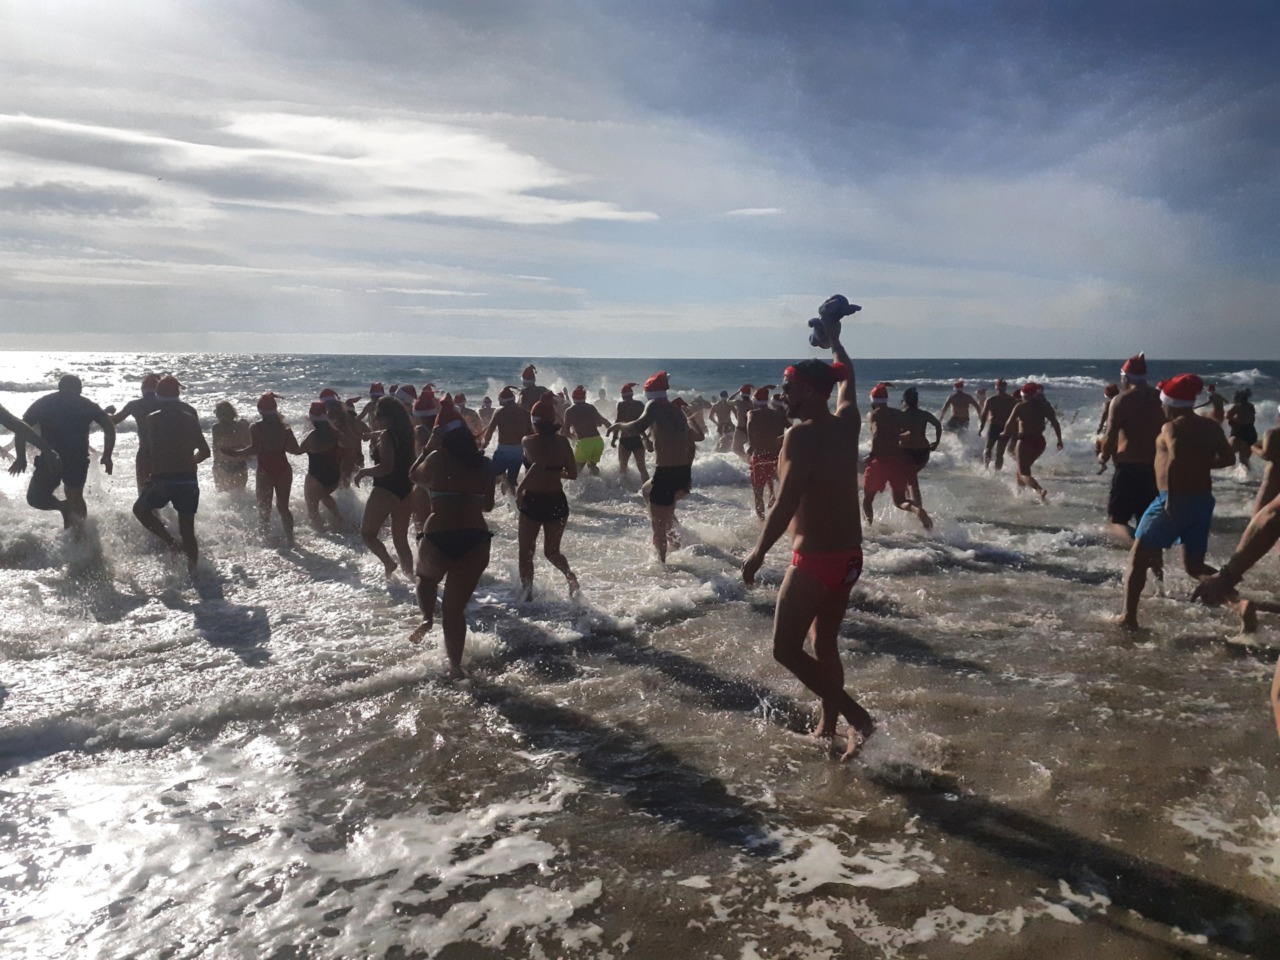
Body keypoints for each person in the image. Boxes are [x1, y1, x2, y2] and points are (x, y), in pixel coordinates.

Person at [741, 316, 876, 762]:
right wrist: (836, 342)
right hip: (850, 559)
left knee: (785, 649)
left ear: (811, 391)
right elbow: (848, 380)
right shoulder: (848, 422)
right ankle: (828, 727)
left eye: (789, 386)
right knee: (824, 644)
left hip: (815, 561)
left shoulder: (799, 435)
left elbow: (784, 503)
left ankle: (858, 719)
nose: (783, 394)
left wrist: (758, 552)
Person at [1119, 374, 1238, 630]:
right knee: (1194, 566)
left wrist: (1170, 499)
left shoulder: (1171, 427)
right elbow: (1229, 459)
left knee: (1137, 560)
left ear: (1170, 404)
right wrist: (1201, 464)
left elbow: (1173, 458)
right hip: (1202, 501)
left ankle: (1128, 618)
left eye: (1163, 404)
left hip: (1171, 501)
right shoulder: (1211, 427)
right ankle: (1239, 603)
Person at [407, 396, 495, 675]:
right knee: (455, 613)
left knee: (424, 577)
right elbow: (489, 505)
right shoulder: (485, 464)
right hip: (475, 539)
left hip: (440, 535)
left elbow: (414, 476)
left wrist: (427, 449)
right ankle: (456, 669)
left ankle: (426, 618)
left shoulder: (436, 458)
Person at [610, 372, 694, 563]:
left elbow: (638, 427)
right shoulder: (676, 410)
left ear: (649, 393)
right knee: (646, 490)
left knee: (657, 526)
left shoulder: (654, 405)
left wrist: (619, 427)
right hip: (682, 471)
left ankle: (661, 568)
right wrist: (687, 474)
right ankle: (678, 541)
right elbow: (690, 445)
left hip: (665, 473)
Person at [13, 375, 115, 528]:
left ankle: (78, 533)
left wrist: (21, 457)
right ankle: (69, 518)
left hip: (66, 459)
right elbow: (109, 427)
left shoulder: (47, 402)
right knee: (42, 498)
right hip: (54, 459)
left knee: (67, 497)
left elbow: (21, 428)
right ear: (79, 389)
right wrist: (107, 455)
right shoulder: (82, 404)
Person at [132, 377, 210, 572]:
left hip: (164, 480)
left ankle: (171, 543)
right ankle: (194, 573)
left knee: (140, 510)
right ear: (178, 396)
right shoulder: (189, 418)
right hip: (187, 479)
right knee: (188, 530)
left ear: (157, 396)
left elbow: (152, 450)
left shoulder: (152, 419)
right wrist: (192, 461)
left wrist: (150, 472)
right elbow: (205, 451)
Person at [516, 394, 580, 600]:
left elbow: (536, 466)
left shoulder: (527, 441)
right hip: (556, 501)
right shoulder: (562, 442)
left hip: (532, 501)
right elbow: (573, 474)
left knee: (526, 552)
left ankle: (527, 595)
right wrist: (554, 472)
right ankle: (570, 576)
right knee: (552, 552)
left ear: (533, 422)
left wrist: (519, 491)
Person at [1098, 354, 1164, 544]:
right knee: (1146, 520)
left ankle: (1137, 549)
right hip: (1154, 467)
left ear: (1125, 377)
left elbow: (1110, 436)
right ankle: (1152, 560)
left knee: (1116, 522)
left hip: (1128, 466)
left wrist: (1103, 456)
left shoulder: (1121, 400)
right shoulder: (1159, 397)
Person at [221, 392, 300, 541]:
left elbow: (254, 449)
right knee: (283, 508)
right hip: (283, 468)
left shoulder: (256, 427)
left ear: (260, 410)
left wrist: (236, 453)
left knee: (265, 509)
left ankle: (265, 539)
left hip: (265, 469)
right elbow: (295, 450)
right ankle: (290, 539)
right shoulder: (285, 428)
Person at [355, 395, 416, 576]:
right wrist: (372, 435)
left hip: (386, 488)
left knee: (367, 534)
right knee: (401, 541)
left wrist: (363, 472)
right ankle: (411, 578)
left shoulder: (388, 435)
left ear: (388, 417)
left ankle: (389, 564)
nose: (375, 419)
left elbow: (386, 467)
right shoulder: (407, 432)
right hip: (406, 489)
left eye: (378, 416)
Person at [109, 374, 197, 491]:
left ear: (143, 389)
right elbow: (195, 438)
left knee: (146, 495)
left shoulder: (135, 405)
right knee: (177, 496)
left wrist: (104, 413)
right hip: (177, 455)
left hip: (147, 454)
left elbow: (113, 422)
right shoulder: (186, 408)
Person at [862, 383, 932, 529]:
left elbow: (876, 435)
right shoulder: (898, 414)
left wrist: (871, 454)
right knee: (900, 501)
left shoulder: (873, 414)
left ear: (872, 400)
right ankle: (917, 510)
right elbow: (909, 434)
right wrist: (897, 437)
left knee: (868, 499)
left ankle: (868, 528)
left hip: (880, 462)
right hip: (897, 461)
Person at [1000, 382, 1062, 501]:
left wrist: (1004, 433)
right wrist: (1059, 440)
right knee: (1022, 469)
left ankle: (1039, 490)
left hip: (1025, 441)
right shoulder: (1045, 405)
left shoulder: (1021, 406)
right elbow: (1055, 423)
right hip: (1039, 442)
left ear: (1025, 395)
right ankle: (1021, 495)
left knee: (1023, 472)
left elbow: (1009, 423)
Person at [897, 386, 940, 522]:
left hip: (906, 452)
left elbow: (892, 433)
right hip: (923, 452)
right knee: (910, 479)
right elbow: (938, 424)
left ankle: (918, 511)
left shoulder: (901, 415)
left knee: (910, 481)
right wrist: (936, 442)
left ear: (904, 401)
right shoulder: (924, 414)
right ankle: (915, 510)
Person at [298, 401, 344, 528]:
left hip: (316, 476)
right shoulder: (335, 432)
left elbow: (298, 451)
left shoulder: (313, 435)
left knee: (312, 506)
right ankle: (338, 518)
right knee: (324, 495)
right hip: (334, 476)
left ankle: (320, 531)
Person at [746, 385, 788, 519]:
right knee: (771, 478)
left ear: (755, 402)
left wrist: (751, 444)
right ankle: (773, 497)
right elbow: (791, 428)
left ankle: (762, 522)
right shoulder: (776, 414)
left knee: (758, 493)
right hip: (774, 456)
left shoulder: (752, 414)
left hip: (759, 456)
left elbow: (750, 426)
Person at [483, 385, 533, 496]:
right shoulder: (525, 413)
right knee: (512, 481)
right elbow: (532, 432)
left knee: (493, 475)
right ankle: (513, 507)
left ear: (502, 400)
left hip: (503, 450)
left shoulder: (499, 412)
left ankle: (502, 478)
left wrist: (484, 444)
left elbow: (490, 431)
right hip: (519, 450)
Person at [564, 385, 612, 476]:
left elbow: (565, 432)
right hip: (598, 442)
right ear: (585, 397)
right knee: (592, 467)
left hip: (584, 444)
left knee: (574, 473)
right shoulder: (591, 407)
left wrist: (574, 439)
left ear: (573, 398)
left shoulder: (569, 411)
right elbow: (602, 423)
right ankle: (601, 486)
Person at [612, 383, 650, 482]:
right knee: (642, 468)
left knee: (623, 468)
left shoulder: (621, 405)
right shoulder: (640, 404)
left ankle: (625, 492)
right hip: (637, 439)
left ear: (622, 395)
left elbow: (618, 422)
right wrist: (646, 436)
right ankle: (649, 490)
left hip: (625, 439)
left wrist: (614, 438)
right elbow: (645, 422)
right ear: (632, 394)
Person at [210, 401, 252, 492]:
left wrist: (215, 466)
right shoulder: (241, 426)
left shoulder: (216, 428)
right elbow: (248, 446)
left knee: (222, 495)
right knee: (240, 495)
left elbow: (216, 450)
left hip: (222, 465)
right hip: (239, 464)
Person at [978, 379, 1018, 470]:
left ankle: (986, 468)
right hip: (1006, 428)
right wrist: (1015, 431)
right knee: (1000, 454)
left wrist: (981, 427)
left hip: (994, 427)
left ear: (996, 387)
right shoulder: (1012, 400)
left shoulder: (991, 400)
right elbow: (1016, 417)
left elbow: (983, 415)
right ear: (1005, 387)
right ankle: (997, 473)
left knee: (988, 448)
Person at [1252, 410, 1280, 517]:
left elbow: (1266, 455)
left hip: (1274, 476)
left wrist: (1253, 447)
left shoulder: (1273, 433)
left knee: (1259, 515)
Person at [1227, 389, 1257, 469]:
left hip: (1239, 432)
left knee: (1228, 454)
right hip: (1251, 432)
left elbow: (1227, 415)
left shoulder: (1237, 406)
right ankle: (1249, 477)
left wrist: (1234, 419)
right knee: (1244, 460)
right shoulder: (1251, 406)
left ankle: (1229, 474)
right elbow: (1252, 419)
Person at [1093, 383, 1120, 458]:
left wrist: (1100, 426)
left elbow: (1104, 414)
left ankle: (1102, 463)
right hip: (1119, 430)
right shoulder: (1122, 402)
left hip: (1109, 428)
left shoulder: (1108, 404)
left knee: (1099, 446)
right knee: (1115, 449)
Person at [730, 385, 753, 459]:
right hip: (751, 429)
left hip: (741, 428)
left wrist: (737, 391)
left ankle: (747, 460)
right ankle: (747, 460)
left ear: (741, 394)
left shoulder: (738, 402)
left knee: (735, 448)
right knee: (750, 448)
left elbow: (728, 401)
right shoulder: (752, 403)